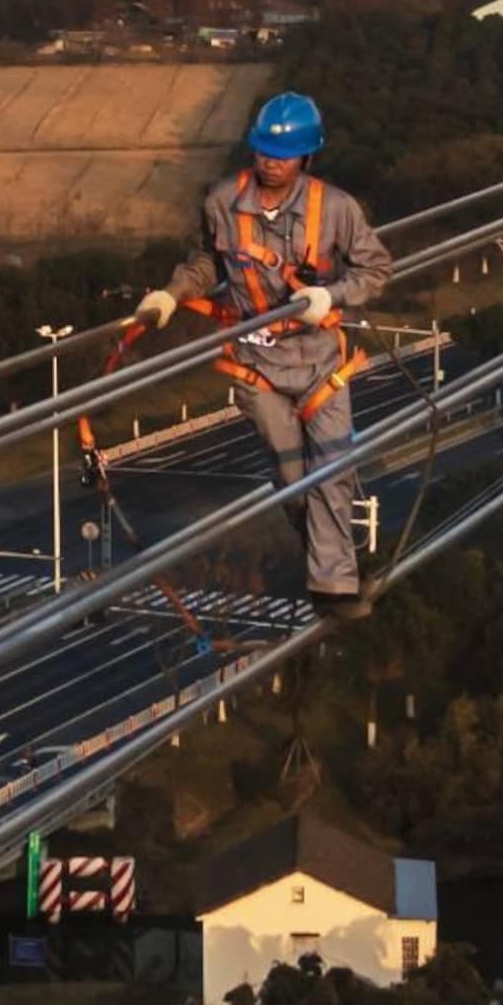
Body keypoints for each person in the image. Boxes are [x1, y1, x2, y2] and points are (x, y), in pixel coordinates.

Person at [136, 92, 393, 614]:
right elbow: (207, 263)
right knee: (294, 480)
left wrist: (331, 296)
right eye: (264, 153)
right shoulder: (222, 202)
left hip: (322, 362)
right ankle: (331, 556)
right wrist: (173, 293)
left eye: (284, 155)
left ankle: (333, 588)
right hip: (257, 365)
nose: (271, 163)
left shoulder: (336, 209)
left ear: (306, 156)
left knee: (332, 473)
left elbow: (376, 270)